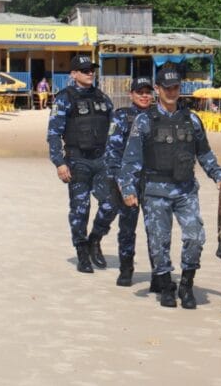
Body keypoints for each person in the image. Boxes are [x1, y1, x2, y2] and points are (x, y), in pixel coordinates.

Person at [118, 67, 221, 309]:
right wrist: (127, 189)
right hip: (155, 191)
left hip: (185, 189)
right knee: (159, 243)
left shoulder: (192, 120)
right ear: (157, 89)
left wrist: (218, 175)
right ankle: (167, 285)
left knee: (195, 237)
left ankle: (187, 285)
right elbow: (131, 159)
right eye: (166, 88)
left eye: (175, 87)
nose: (171, 92)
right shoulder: (144, 120)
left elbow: (204, 153)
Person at [47, 54, 115, 273]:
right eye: (85, 70)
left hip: (102, 159)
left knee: (111, 203)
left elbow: (114, 131)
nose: (90, 73)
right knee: (80, 209)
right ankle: (82, 251)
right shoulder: (64, 98)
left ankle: (94, 239)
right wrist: (59, 162)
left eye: (92, 69)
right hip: (77, 160)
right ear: (73, 74)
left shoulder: (103, 98)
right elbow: (53, 134)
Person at [101, 76, 154, 286]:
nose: (144, 96)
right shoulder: (122, 117)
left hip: (152, 182)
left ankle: (159, 272)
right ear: (131, 94)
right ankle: (126, 269)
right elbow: (112, 152)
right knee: (126, 229)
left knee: (156, 230)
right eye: (140, 92)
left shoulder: (159, 116)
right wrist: (120, 182)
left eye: (147, 92)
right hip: (128, 182)